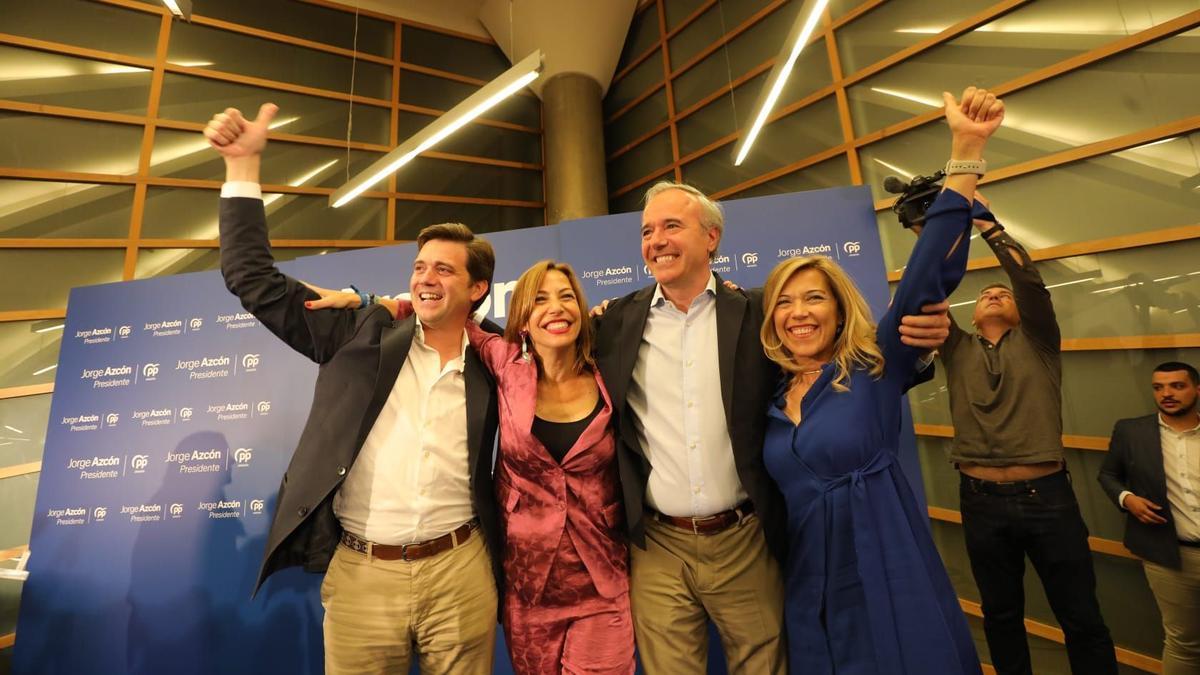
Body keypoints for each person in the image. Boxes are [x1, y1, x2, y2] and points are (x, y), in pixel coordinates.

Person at [589, 182, 950, 671]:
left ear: (711, 237)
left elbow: (835, 364)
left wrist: (919, 350)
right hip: (658, 546)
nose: (657, 240)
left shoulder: (762, 310)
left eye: (672, 225)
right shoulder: (613, 322)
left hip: (746, 538)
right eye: (647, 230)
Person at [205, 103, 503, 675]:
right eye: (420, 267)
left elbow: (577, 333)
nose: (424, 279)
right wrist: (242, 169)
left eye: (444, 269)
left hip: (461, 569)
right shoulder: (359, 329)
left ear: (478, 288)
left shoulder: (499, 355)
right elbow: (252, 278)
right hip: (363, 573)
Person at [758, 86, 1000, 674]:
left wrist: (965, 151)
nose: (799, 313)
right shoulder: (766, 400)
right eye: (785, 303)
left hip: (886, 564)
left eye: (814, 298)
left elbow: (926, 277)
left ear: (839, 310)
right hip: (809, 578)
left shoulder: (874, 363)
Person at [317, 262, 636, 675]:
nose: (555, 308)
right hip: (528, 587)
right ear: (521, 319)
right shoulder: (505, 363)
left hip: (601, 581)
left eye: (566, 296)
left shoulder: (608, 366)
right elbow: (445, 312)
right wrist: (368, 301)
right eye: (540, 299)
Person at [937, 147, 1118, 674]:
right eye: (985, 294)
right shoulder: (957, 346)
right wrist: (946, 219)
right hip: (979, 500)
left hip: (1048, 499)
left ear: (1019, 310)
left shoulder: (1038, 339)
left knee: (1080, 616)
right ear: (972, 312)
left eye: (1002, 294)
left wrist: (988, 224)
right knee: (1000, 615)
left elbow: (1027, 280)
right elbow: (927, 292)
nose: (994, 295)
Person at [1100, 362, 1200, 674]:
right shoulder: (1131, 431)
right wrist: (1127, 499)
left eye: (1177, 386)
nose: (1166, 394)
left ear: (1197, 389)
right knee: (1184, 643)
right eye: (1159, 387)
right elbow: (1108, 475)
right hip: (1169, 556)